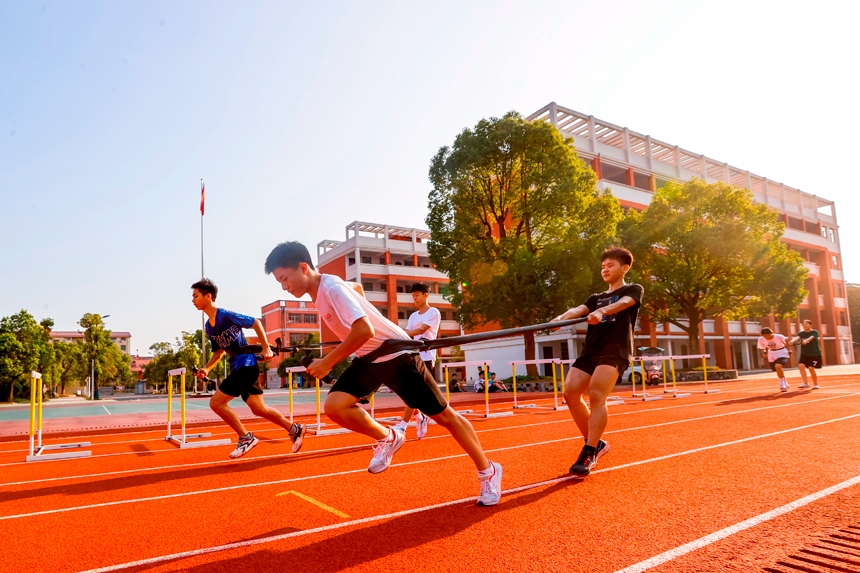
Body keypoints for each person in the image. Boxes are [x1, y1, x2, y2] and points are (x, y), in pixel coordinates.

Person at [265, 241, 503, 506]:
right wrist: (365, 308)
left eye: (285, 279)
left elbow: (364, 330)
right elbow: (355, 289)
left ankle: (488, 470)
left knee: (444, 416)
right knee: (335, 406)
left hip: (396, 354)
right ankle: (388, 437)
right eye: (279, 282)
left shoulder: (331, 288)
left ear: (303, 267)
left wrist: (328, 362)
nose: (285, 286)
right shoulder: (325, 289)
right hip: (370, 357)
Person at [552, 247, 643, 477]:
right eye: (603, 266)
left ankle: (590, 451)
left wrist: (602, 311)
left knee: (596, 395)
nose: (605, 269)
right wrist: (561, 318)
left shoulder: (633, 289)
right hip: (591, 351)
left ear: (625, 268)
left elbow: (623, 304)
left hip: (614, 351)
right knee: (570, 393)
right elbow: (577, 310)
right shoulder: (595, 298)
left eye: (610, 265)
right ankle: (595, 443)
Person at [191, 279, 306, 458]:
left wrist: (266, 347)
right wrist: (206, 369)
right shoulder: (209, 326)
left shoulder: (225, 315)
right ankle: (294, 429)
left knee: (216, 403)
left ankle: (246, 438)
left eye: (195, 296)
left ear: (208, 296)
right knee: (259, 408)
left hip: (246, 366)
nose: (193, 300)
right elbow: (219, 352)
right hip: (238, 366)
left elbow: (256, 322)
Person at [393, 283, 440, 439]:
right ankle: (420, 417)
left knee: (415, 393)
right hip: (412, 357)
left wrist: (404, 336)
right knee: (408, 391)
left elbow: (420, 331)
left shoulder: (434, 312)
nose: (414, 298)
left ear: (426, 295)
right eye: (412, 295)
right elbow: (408, 331)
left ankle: (403, 425)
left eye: (417, 295)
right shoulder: (413, 316)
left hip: (426, 358)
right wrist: (396, 335)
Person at [757, 327, 792, 392]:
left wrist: (788, 350)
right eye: (764, 336)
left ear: (771, 333)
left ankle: (782, 384)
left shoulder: (779, 336)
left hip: (782, 352)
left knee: (778, 366)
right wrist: (764, 353)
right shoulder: (761, 339)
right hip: (771, 353)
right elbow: (762, 347)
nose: (766, 337)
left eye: (768, 335)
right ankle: (785, 382)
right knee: (777, 369)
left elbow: (786, 342)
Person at [789, 319, 821, 389]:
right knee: (801, 366)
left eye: (806, 324)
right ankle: (805, 383)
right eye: (803, 324)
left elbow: (812, 337)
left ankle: (815, 384)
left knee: (811, 368)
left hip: (814, 353)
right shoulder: (801, 333)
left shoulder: (815, 332)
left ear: (810, 325)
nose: (804, 325)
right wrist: (792, 341)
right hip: (804, 353)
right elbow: (797, 337)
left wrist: (807, 340)